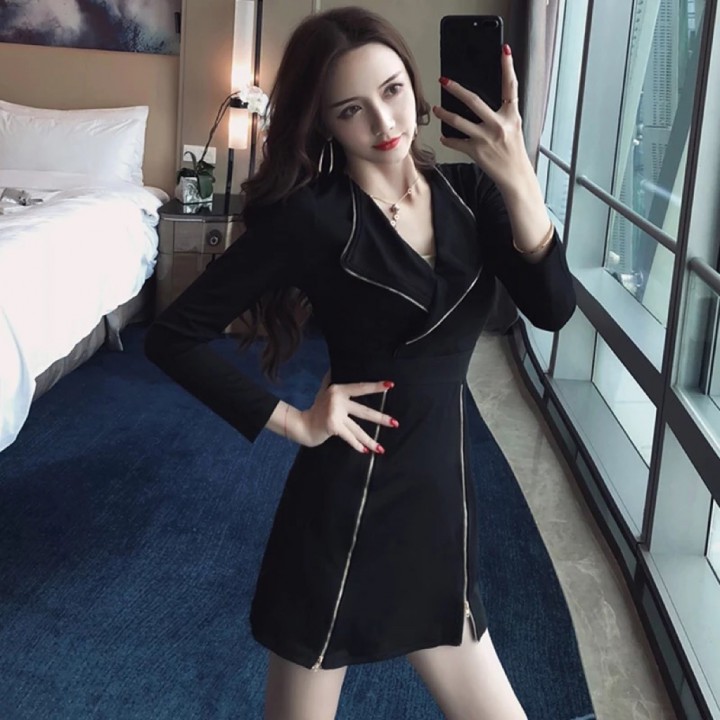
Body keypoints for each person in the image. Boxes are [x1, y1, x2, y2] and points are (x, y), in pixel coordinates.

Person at [145, 6, 576, 719]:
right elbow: (174, 335)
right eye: (351, 109)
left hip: (440, 511)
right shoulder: (313, 217)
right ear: (324, 123)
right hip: (343, 512)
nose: (383, 121)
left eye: (393, 90)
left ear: (415, 83)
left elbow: (553, 307)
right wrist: (293, 420)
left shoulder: (471, 194)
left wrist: (519, 177)